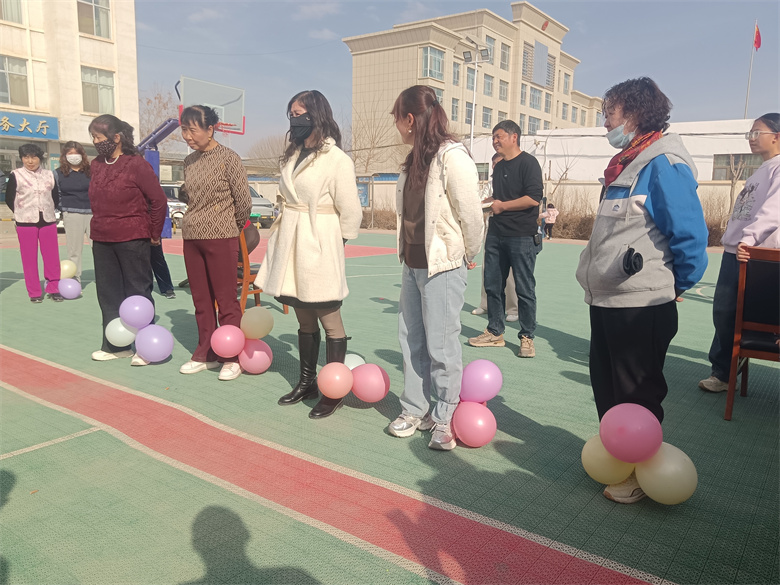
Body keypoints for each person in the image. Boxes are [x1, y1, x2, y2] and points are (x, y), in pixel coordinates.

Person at [575, 77, 708, 503]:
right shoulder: (625, 164)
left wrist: (670, 286)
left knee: (636, 391)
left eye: (609, 113)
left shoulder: (663, 162)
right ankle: (619, 459)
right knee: (608, 386)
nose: (605, 123)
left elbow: (690, 237)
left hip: (641, 303)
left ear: (634, 113)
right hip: (607, 300)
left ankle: (638, 471)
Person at [386, 85, 483, 450]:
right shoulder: (413, 160)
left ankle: (444, 416)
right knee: (411, 340)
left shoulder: (452, 157)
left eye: (398, 118)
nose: (397, 126)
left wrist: (469, 251)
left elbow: (470, 212)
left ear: (410, 119)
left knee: (441, 346)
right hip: (412, 263)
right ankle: (416, 409)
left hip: (442, 265)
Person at [256, 90, 362, 419]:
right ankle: (307, 382)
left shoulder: (337, 159)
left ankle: (334, 390)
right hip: (291, 243)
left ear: (317, 115)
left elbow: (351, 211)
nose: (294, 119)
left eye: (299, 113)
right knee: (303, 316)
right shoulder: (293, 154)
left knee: (330, 318)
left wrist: (333, 245)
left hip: (319, 242)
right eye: (291, 114)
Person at [699, 113, 780, 393]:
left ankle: (724, 371)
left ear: (777, 136)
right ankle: (723, 371)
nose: (751, 138)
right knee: (725, 312)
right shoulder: (760, 170)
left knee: (742, 314)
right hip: (736, 251)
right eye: (750, 133)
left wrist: (748, 240)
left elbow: (773, 212)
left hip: (754, 255)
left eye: (757, 133)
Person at [178, 105, 252, 381]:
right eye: (184, 130)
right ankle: (206, 351)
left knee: (226, 299)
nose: (187, 136)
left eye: (192, 130)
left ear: (210, 130)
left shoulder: (229, 158)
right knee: (201, 298)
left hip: (222, 237)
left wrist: (228, 228)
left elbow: (243, 202)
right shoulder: (189, 162)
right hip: (192, 237)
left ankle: (232, 355)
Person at [88, 115, 167, 363]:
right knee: (108, 293)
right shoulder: (96, 165)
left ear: (116, 138)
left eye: (99, 137)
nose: (95, 142)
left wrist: (154, 233)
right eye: (93, 137)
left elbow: (158, 200)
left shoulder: (136, 165)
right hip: (102, 237)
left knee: (137, 291)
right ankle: (115, 346)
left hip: (133, 237)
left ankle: (145, 347)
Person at [468, 120, 543, 358]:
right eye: (493, 137)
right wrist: (485, 203)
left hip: (521, 236)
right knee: (493, 285)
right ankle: (495, 331)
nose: (495, 141)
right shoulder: (499, 167)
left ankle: (527, 336)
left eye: (498, 136)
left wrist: (502, 206)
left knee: (524, 288)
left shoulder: (529, 163)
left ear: (514, 137)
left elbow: (533, 198)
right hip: (496, 234)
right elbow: (499, 197)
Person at [5, 143, 62, 303]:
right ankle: (34, 292)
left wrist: (49, 209)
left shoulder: (49, 175)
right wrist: (21, 211)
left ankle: (54, 288)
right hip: (25, 222)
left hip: (48, 220)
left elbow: (55, 197)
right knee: (29, 258)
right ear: (21, 158)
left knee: (52, 256)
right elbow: (9, 198)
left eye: (33, 157)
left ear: (40, 158)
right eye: (26, 157)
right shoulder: (16, 175)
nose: (30, 161)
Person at [472, 152, 518, 322]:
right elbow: (481, 202)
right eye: (493, 164)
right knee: (488, 268)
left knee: (510, 272)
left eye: (497, 163)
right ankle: (485, 304)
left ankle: (513, 309)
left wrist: (498, 205)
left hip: (510, 230)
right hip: (491, 229)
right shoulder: (490, 184)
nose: (494, 166)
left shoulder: (514, 182)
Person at [56, 141, 91, 284]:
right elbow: (56, 193)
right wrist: (63, 208)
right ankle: (75, 278)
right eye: (70, 153)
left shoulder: (91, 171)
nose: (74, 156)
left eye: (76, 153)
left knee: (100, 248)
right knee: (74, 250)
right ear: (64, 156)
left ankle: (105, 278)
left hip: (93, 214)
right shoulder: (58, 173)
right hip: (72, 214)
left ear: (82, 154)